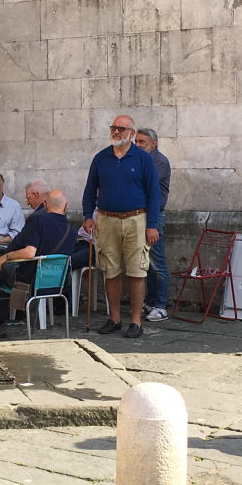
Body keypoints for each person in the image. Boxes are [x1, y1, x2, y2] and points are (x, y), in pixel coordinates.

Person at [82, 115, 161, 339]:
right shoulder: (100, 158)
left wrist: (152, 225)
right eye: (114, 127)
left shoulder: (143, 159)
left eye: (121, 128)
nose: (116, 131)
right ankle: (114, 318)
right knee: (110, 270)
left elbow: (154, 194)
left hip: (137, 220)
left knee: (137, 272)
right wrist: (88, 216)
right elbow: (89, 190)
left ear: (131, 133)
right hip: (106, 220)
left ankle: (135, 321)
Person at [0, 190, 78, 337]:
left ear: (45, 205)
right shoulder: (73, 231)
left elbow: (29, 253)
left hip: (30, 283)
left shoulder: (39, 221)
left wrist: (6, 256)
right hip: (57, 285)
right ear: (66, 206)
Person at [0, 180, 50, 327]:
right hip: (42, 268)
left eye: (28, 198)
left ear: (35, 194)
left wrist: (6, 254)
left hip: (25, 265)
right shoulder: (56, 217)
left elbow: (21, 241)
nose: (27, 203)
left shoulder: (36, 216)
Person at [135, 128, 171, 322]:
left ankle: (160, 305)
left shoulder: (159, 161)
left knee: (157, 262)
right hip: (141, 216)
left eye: (142, 142)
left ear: (153, 143)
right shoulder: (140, 160)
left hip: (155, 216)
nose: (137, 145)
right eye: (136, 141)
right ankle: (149, 302)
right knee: (146, 262)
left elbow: (144, 185)